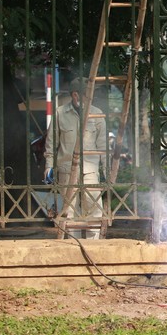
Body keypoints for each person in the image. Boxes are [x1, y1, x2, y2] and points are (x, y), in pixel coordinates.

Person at [43, 77, 106, 238]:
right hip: (66, 171)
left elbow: (103, 146)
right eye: (87, 95)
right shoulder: (60, 113)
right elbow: (51, 143)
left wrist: (106, 171)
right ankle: (73, 246)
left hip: (90, 172)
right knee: (69, 213)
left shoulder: (97, 114)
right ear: (76, 95)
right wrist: (49, 166)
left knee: (94, 211)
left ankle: (93, 248)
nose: (90, 98)